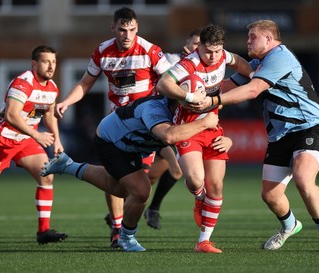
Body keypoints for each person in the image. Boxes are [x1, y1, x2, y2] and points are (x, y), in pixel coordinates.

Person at [197, 20, 319, 252]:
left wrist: (212, 101)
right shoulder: (258, 64)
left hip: (308, 127)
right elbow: (224, 87)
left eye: (253, 36)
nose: (248, 41)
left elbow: (252, 90)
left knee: (304, 178)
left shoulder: (280, 57)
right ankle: (289, 226)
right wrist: (189, 88)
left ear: (269, 39)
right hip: (279, 135)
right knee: (270, 196)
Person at [54, 7, 190, 247]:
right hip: (117, 124)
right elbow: (85, 83)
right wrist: (66, 101)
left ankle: (74, 171)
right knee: (128, 183)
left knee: (131, 185)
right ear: (113, 28)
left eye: (132, 30)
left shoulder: (149, 51)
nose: (127, 35)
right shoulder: (103, 52)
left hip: (146, 125)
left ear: (137, 29)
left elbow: (170, 81)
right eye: (122, 29)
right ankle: (119, 230)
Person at [40, 94, 219, 252]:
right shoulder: (154, 108)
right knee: (141, 191)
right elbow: (168, 136)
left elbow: (201, 133)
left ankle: (67, 166)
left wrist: (225, 140)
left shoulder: (184, 112)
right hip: (113, 141)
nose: (199, 105)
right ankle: (126, 238)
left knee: (119, 188)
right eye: (195, 100)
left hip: (137, 144)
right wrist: (203, 123)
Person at [156, 24, 252, 253]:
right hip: (188, 127)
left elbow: (238, 61)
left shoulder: (222, 57)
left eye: (217, 51)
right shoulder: (189, 63)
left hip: (212, 126)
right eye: (208, 51)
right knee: (196, 180)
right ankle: (199, 198)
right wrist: (188, 96)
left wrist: (254, 75)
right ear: (200, 48)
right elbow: (163, 84)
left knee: (216, 186)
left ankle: (203, 242)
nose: (213, 56)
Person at [0, 45, 67, 244]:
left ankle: (43, 231)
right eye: (46, 62)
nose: (51, 66)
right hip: (1, 140)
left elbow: (49, 116)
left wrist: (57, 140)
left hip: (25, 140)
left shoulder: (52, 87)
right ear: (34, 64)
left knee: (46, 175)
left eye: (53, 62)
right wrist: (37, 135)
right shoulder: (23, 83)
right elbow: (11, 114)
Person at [143, 27, 202, 230]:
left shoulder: (207, 68)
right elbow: (163, 82)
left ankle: (125, 207)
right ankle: (150, 209)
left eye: (201, 45)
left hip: (176, 126)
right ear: (188, 43)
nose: (198, 48)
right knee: (175, 170)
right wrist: (181, 65)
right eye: (196, 43)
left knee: (152, 175)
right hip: (156, 121)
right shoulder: (170, 59)